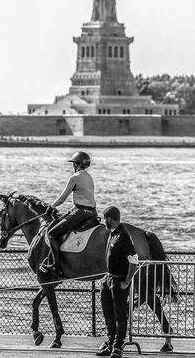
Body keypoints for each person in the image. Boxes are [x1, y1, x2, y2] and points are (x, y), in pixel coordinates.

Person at [40, 151, 96, 276]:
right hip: (92, 212)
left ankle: (56, 266)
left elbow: (61, 199)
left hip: (81, 212)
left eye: (73, 163)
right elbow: (85, 198)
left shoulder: (74, 177)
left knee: (51, 233)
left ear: (76, 164)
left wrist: (51, 206)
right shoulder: (89, 177)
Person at [96, 206, 138, 358]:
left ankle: (118, 346)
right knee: (108, 314)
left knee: (120, 314)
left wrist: (127, 281)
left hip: (119, 279)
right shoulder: (112, 234)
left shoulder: (123, 235)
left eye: (104, 218)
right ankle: (110, 342)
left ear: (108, 219)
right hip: (108, 278)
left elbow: (134, 260)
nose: (104, 221)